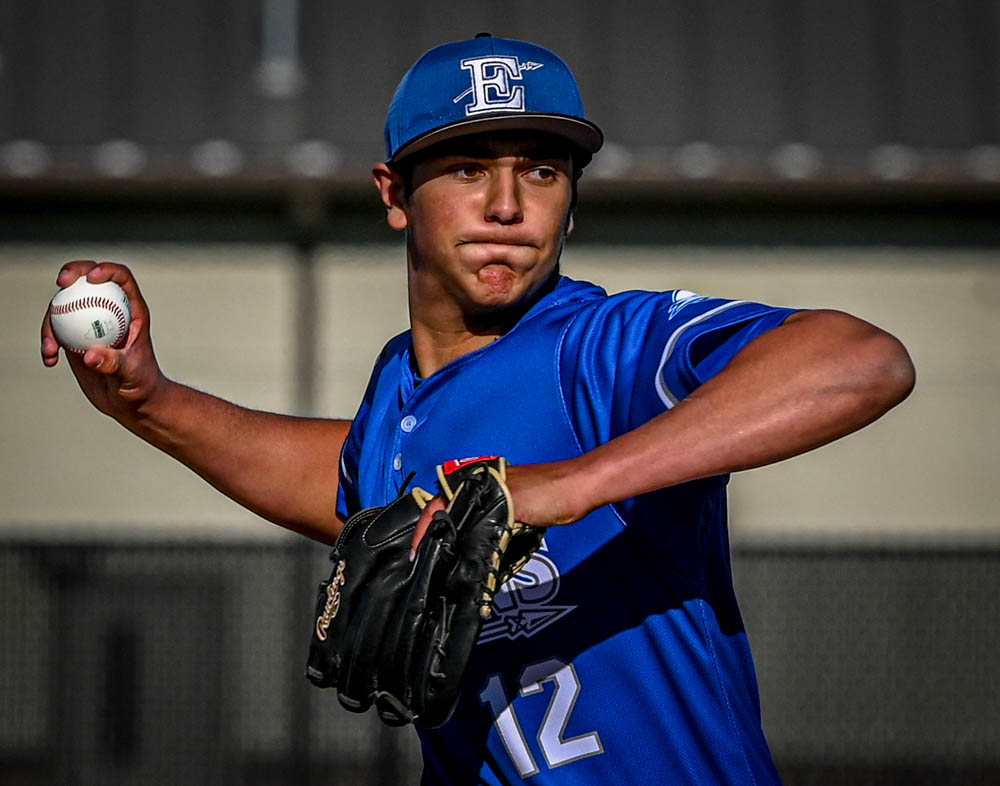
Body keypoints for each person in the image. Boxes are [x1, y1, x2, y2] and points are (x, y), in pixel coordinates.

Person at [41, 34, 914, 786]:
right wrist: (148, 402)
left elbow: (860, 359)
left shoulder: (600, 348)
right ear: (393, 193)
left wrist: (571, 484)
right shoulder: (399, 390)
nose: (507, 206)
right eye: (468, 168)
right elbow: (350, 485)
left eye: (540, 169)